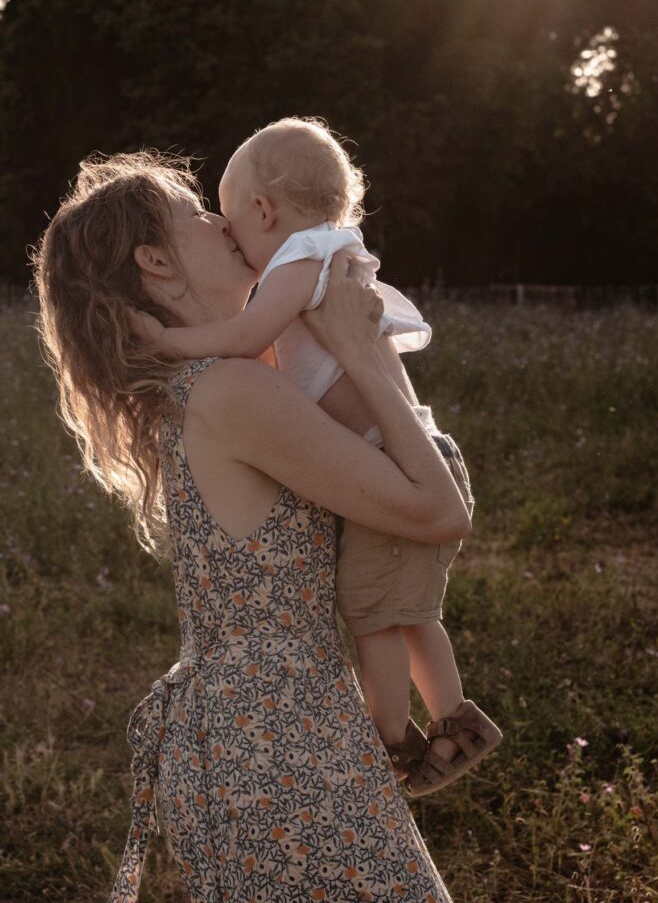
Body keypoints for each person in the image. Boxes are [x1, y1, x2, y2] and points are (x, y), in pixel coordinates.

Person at [32, 150, 471, 903]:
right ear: (157, 263)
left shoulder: (212, 381)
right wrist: (363, 351)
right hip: (277, 736)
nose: (222, 221)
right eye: (196, 214)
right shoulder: (231, 387)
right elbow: (439, 511)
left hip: (256, 730)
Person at [131, 118, 502, 797]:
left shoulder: (298, 262)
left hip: (391, 456)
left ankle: (389, 743)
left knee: (373, 616)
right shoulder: (330, 254)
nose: (224, 229)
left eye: (227, 216)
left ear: (262, 211)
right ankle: (455, 718)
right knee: (411, 611)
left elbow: (247, 338)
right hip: (416, 449)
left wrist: (165, 341)